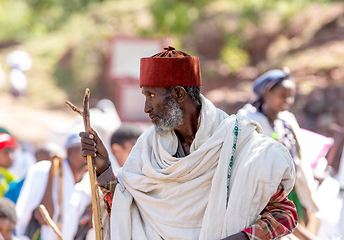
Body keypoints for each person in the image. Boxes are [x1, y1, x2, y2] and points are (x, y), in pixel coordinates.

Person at [80, 47, 297, 239]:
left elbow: (284, 214)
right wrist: (105, 168)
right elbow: (126, 208)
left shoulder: (242, 145)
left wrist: (243, 237)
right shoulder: (148, 148)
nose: (146, 107)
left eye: (151, 95)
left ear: (178, 94)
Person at [238, 68, 321, 239]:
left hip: (294, 192)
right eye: (283, 95)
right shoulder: (248, 122)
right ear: (267, 93)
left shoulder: (287, 120)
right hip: (266, 197)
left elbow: (299, 157)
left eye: (291, 96)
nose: (288, 101)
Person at [15, 132, 91, 240]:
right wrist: (51, 175)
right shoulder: (43, 171)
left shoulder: (88, 182)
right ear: (70, 152)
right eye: (84, 154)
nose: (88, 159)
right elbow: (43, 218)